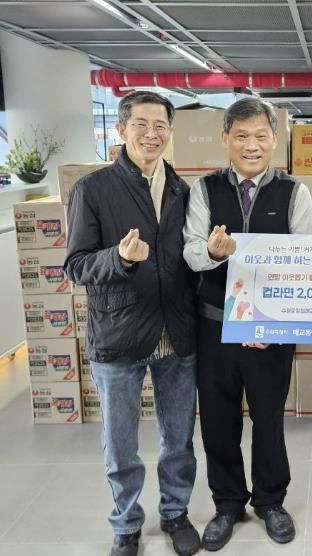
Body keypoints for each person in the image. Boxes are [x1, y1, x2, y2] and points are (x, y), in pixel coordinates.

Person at [64, 91, 200, 556]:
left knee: (178, 438)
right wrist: (119, 258)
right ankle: (125, 523)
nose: (151, 134)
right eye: (140, 124)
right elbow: (76, 266)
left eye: (160, 125)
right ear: (121, 130)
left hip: (176, 332)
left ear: (170, 132)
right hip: (118, 335)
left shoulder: (182, 190)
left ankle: (176, 512)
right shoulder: (93, 189)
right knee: (120, 443)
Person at [183, 97, 312, 551]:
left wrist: (272, 324)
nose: (251, 145)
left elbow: (304, 261)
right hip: (215, 326)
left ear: (275, 139)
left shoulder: (294, 192)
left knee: (268, 417)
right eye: (241, 136)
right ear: (225, 139)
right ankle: (226, 503)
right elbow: (191, 250)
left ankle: (271, 501)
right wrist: (213, 252)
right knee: (218, 419)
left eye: (261, 136)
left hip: (271, 332)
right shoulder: (204, 189)